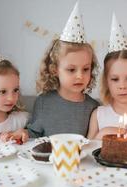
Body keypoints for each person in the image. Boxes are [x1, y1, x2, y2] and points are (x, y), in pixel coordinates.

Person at [26, 2, 99, 137]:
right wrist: (23, 134)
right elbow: (33, 134)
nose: (80, 76)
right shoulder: (43, 102)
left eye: (85, 69)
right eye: (71, 70)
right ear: (55, 70)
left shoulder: (93, 107)